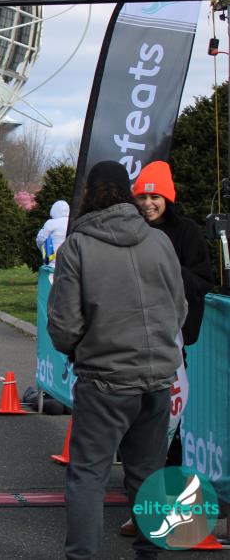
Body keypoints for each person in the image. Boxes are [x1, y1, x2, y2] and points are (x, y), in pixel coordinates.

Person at [47, 160, 186, 560]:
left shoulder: (77, 245)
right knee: (147, 475)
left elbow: (64, 325)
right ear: (128, 193)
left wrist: (79, 349)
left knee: (88, 475)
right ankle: (148, 553)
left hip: (104, 380)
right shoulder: (159, 241)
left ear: (89, 194)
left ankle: (82, 555)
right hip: (157, 379)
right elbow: (179, 308)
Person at [116, 160, 214, 537]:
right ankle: (141, 507)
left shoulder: (186, 232)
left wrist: (166, 269)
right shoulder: (129, 230)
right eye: (142, 196)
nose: (148, 203)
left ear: (168, 198)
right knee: (135, 431)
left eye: (155, 196)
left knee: (169, 431)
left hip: (171, 349)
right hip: (130, 346)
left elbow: (202, 281)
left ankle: (170, 509)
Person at [35, 199, 69, 266]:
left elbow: (40, 239)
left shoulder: (51, 223)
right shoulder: (73, 222)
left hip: (51, 261)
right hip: (68, 262)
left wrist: (42, 249)